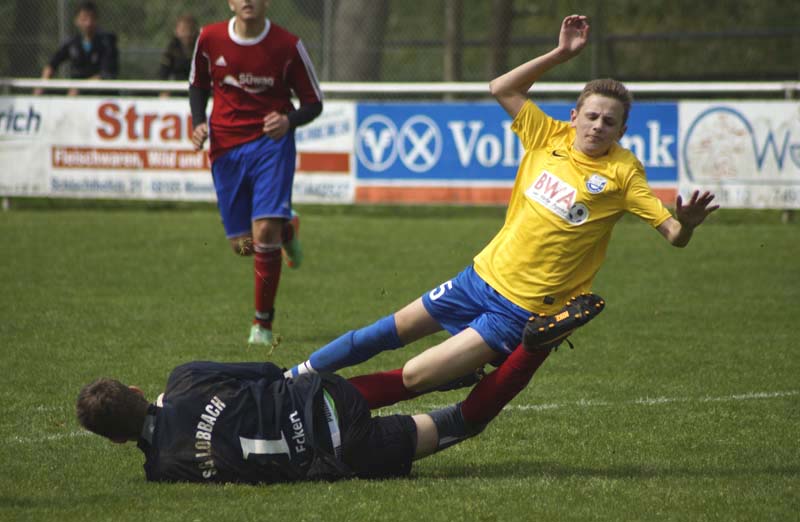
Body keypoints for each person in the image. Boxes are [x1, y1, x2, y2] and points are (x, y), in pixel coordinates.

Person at [283, 15, 719, 418]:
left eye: (610, 121)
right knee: (379, 334)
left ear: (621, 131)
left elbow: (673, 233)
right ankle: (293, 380)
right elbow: (501, 87)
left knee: (416, 375)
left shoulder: (624, 173)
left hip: (518, 311)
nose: (598, 125)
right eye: (591, 115)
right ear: (574, 116)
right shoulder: (549, 134)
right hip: (478, 277)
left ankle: (318, 412)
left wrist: (689, 224)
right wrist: (562, 55)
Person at [74, 304, 587, 483]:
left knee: (461, 423)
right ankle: (452, 368)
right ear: (139, 389)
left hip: (340, 453)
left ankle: (534, 345)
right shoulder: (186, 378)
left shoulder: (162, 470)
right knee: (390, 384)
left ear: (119, 442)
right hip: (323, 399)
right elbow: (266, 371)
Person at [189, 0, 323, 346]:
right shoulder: (209, 38)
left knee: (263, 231)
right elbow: (198, 86)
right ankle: (288, 229)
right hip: (226, 149)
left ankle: (261, 324)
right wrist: (199, 123)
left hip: (271, 145)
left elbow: (314, 102)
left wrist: (287, 121)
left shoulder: (288, 45)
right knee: (242, 245)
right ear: (231, 2)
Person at [35, 1, 118, 96]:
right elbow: (52, 65)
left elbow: (106, 74)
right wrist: (42, 84)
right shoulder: (72, 43)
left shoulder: (107, 42)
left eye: (92, 18)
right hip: (75, 91)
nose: (88, 23)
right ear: (76, 20)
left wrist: (81, 88)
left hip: (99, 94)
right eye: (84, 19)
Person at [158, 13, 199, 96]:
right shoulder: (171, 49)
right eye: (183, 30)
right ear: (176, 31)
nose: (187, 34)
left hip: (196, 88)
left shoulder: (200, 47)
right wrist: (164, 91)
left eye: (190, 30)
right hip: (176, 89)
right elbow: (163, 73)